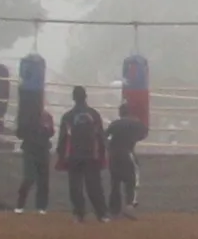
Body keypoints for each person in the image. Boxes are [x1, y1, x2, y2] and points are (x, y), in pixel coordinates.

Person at [56, 84, 110, 222]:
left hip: (73, 156)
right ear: (86, 97)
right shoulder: (94, 114)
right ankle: (102, 214)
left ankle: (79, 214)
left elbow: (63, 138)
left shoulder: (68, 116)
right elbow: (101, 137)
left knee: (75, 187)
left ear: (73, 98)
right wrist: (103, 155)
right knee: (95, 186)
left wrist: (61, 156)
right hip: (92, 155)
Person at [12, 99, 54, 215]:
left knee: (43, 180)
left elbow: (51, 132)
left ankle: (41, 206)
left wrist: (45, 128)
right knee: (29, 177)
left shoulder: (47, 117)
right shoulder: (26, 117)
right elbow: (19, 133)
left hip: (43, 149)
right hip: (30, 149)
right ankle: (20, 204)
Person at [107, 107, 147, 217]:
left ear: (120, 113)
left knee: (115, 182)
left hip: (114, 155)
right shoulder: (135, 123)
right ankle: (130, 205)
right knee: (132, 179)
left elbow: (105, 137)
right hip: (127, 152)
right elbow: (144, 133)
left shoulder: (114, 124)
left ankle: (114, 209)